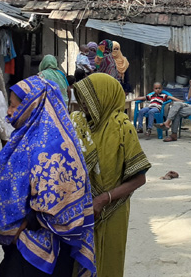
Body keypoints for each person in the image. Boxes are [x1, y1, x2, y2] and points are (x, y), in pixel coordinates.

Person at [0, 76, 96, 277]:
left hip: (45, 254)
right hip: (22, 247)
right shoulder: (26, 138)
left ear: (33, 107)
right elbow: (18, 182)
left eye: (14, 106)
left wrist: (21, 227)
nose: (9, 112)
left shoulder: (55, 147)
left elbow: (57, 204)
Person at [70, 73, 151, 277]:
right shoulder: (76, 123)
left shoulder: (122, 127)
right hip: (78, 209)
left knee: (109, 261)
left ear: (104, 98)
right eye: (82, 99)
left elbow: (139, 178)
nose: (84, 105)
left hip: (112, 211)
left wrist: (103, 199)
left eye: (90, 99)